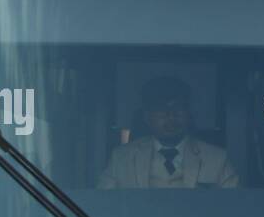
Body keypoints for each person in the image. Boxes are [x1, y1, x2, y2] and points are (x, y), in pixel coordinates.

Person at [98, 76, 238, 189]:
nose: (171, 117)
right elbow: (105, 206)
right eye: (161, 110)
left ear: (189, 114)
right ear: (147, 117)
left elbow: (233, 208)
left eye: (178, 109)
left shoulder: (217, 159)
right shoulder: (121, 158)